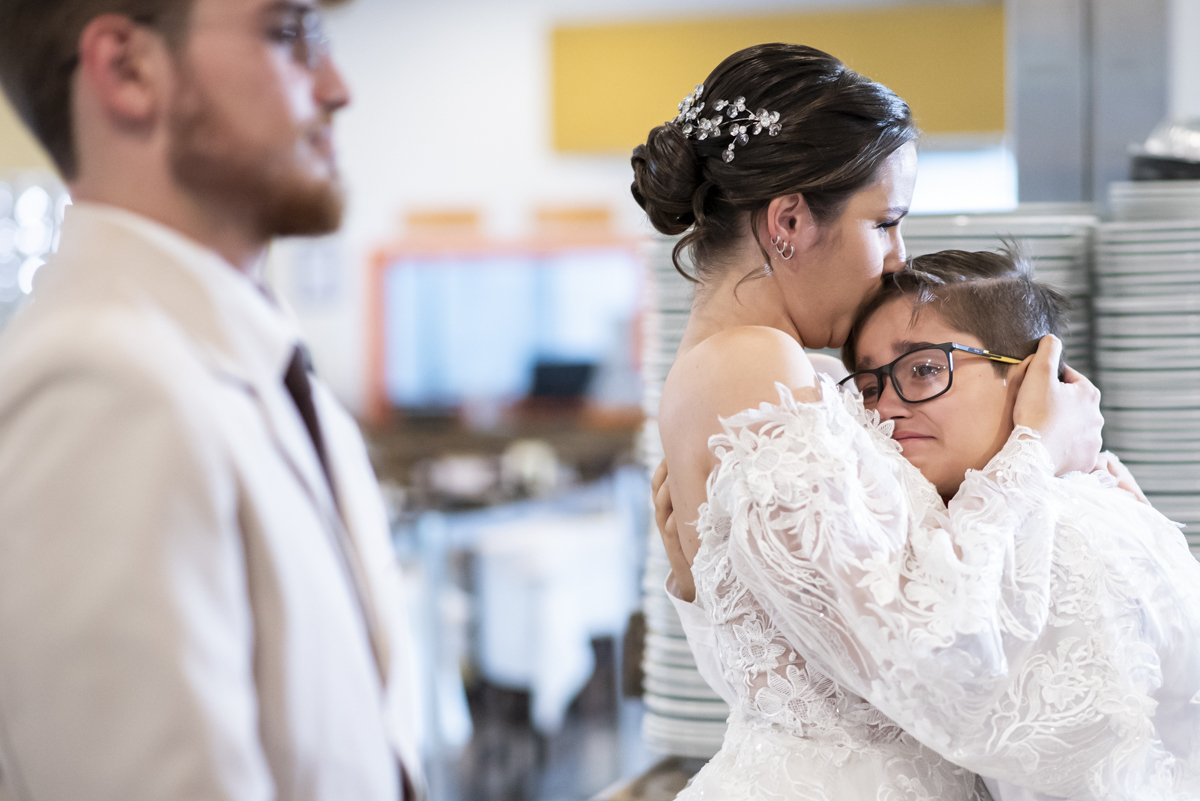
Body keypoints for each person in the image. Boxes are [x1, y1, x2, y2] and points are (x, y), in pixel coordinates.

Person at [632, 43, 1106, 800]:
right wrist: (1036, 450)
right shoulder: (754, 365)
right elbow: (913, 653)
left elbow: (793, 652)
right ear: (788, 219)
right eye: (885, 222)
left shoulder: (769, 371)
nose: (898, 258)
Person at [0, 2, 421, 800]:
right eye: (290, 33)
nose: (337, 87)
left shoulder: (247, 359)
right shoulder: (97, 381)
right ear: (128, 70)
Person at [655, 249, 1200, 800]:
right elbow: (811, 694)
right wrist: (713, 582)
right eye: (868, 387)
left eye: (923, 369)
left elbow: (985, 702)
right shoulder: (964, 523)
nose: (886, 406)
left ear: (1031, 378)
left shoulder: (1068, 533)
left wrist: (1034, 450)